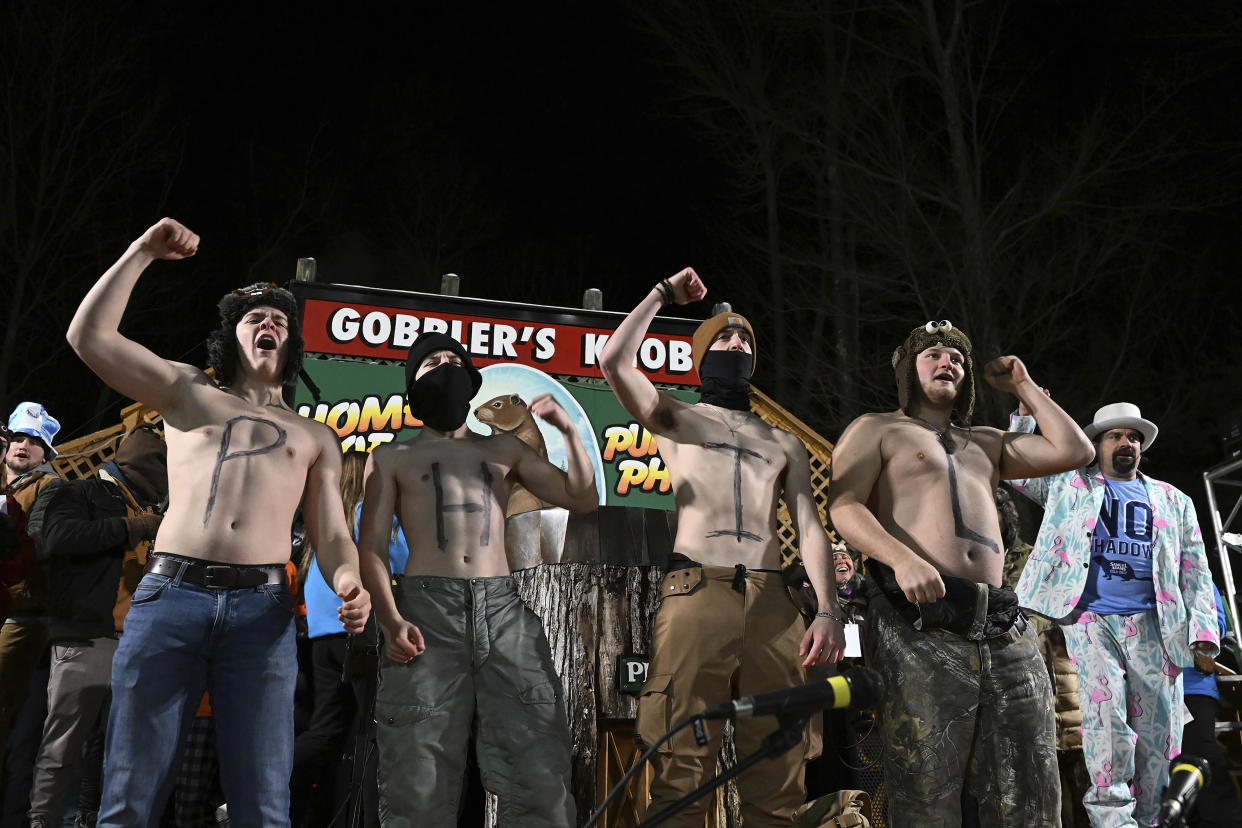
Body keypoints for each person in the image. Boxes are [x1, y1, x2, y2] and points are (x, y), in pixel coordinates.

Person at [67, 216, 371, 827]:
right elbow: (89, 336)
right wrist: (140, 253)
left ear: (292, 345)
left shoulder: (314, 435)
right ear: (230, 335)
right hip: (169, 595)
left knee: (263, 800)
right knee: (129, 793)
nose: (268, 323)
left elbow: (333, 533)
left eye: (280, 319)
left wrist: (349, 584)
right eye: (254, 316)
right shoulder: (187, 391)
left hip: (262, 613)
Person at [599, 268, 843, 826]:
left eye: (746, 342)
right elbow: (613, 362)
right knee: (680, 758)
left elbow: (808, 523)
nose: (737, 345)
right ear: (702, 356)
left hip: (773, 600)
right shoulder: (676, 417)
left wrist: (827, 609)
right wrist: (661, 292)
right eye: (725, 340)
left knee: (781, 760)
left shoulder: (784, 442)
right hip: (697, 590)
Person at [826, 320, 1094, 827]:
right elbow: (843, 507)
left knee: (1033, 790)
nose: (948, 361)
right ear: (908, 368)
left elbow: (1075, 450)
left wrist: (1022, 385)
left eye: (957, 358)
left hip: (1001, 625)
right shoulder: (877, 429)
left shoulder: (987, 442)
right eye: (934, 354)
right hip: (919, 621)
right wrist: (902, 559)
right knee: (927, 790)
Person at [358, 331, 598, 827]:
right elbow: (372, 550)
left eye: (453, 360)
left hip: (502, 608)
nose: (444, 366)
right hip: (427, 610)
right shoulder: (391, 458)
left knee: (537, 765)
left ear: (470, 382)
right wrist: (389, 619)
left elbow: (581, 497)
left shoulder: (505, 450)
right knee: (418, 775)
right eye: (431, 363)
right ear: (413, 387)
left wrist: (568, 431)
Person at [1009, 401, 1220, 827]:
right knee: (1106, 722)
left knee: (1159, 740)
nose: (1127, 443)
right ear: (1097, 443)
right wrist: (1024, 420)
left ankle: (1151, 820)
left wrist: (1204, 631)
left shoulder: (1173, 500)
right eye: (1115, 435)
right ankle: (1113, 820)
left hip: (1156, 628)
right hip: (1090, 620)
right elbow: (1017, 469)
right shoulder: (1070, 486)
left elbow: (1196, 569)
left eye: (1134, 437)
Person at [25, 423, 167, 827]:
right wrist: (132, 528)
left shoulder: (150, 512)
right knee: (63, 747)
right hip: (88, 636)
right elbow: (57, 539)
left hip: (136, 640)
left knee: (123, 751)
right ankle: (44, 822)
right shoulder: (82, 491)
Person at [0, 402, 61, 786]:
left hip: (20, 614)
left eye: (34, 440)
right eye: (19, 437)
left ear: (46, 452)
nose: (24, 445)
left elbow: (39, 549)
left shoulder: (49, 487)